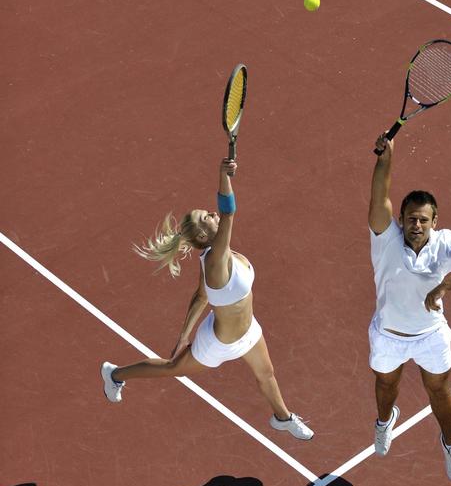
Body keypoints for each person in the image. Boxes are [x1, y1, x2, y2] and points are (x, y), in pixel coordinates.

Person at [100, 157, 313, 440]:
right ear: (203, 234)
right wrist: (223, 176)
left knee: (267, 375)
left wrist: (182, 336)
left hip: (249, 331)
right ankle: (115, 375)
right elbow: (229, 212)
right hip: (218, 344)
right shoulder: (215, 260)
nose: (212, 214)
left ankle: (282, 418)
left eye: (208, 213)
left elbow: (201, 296)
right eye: (206, 217)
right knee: (172, 368)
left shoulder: (216, 259)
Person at [368, 134, 451, 480]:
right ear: (401, 219)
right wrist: (385, 158)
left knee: (438, 390)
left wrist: (446, 284)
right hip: (389, 335)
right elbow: (380, 195)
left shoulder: (445, 242)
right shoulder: (384, 237)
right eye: (411, 218)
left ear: (434, 221)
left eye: (424, 220)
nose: (417, 225)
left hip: (430, 335)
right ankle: (385, 421)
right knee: (385, 386)